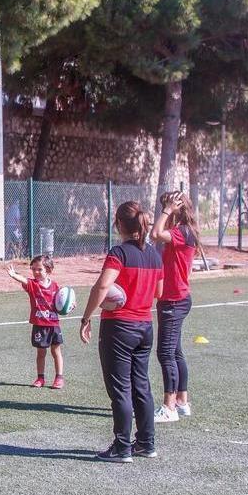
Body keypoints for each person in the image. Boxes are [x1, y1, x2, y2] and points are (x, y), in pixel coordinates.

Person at [79, 201, 163, 463]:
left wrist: (86, 317)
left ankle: (122, 447)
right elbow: (159, 293)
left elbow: (102, 286)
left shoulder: (119, 252)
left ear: (118, 224)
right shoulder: (154, 255)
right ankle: (146, 443)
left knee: (120, 389)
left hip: (119, 327)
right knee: (141, 386)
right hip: (145, 327)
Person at [151, 190, 198, 422]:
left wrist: (167, 210)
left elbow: (155, 233)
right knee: (176, 352)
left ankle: (169, 407)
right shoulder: (184, 232)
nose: (164, 211)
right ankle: (182, 401)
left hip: (174, 300)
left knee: (166, 353)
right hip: (175, 298)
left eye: (167, 208)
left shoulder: (182, 232)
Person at [6, 255, 65, 389]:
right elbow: (24, 280)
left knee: (56, 351)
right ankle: (40, 378)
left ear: (48, 270)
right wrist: (14, 275)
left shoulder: (55, 286)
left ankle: (59, 378)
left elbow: (63, 301)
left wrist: (70, 305)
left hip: (54, 325)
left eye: (39, 269)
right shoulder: (33, 285)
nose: (35, 272)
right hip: (39, 325)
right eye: (33, 269)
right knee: (41, 353)